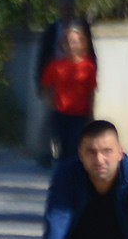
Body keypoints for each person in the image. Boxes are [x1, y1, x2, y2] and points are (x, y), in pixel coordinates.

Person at [39, 22, 99, 166]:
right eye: (67, 42)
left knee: (75, 147)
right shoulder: (55, 65)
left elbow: (91, 91)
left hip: (80, 115)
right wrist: (52, 104)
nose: (70, 45)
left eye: (74, 41)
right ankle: (64, 179)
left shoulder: (88, 66)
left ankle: (74, 178)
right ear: (62, 44)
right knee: (63, 150)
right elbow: (46, 87)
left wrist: (91, 114)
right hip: (61, 114)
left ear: (80, 43)